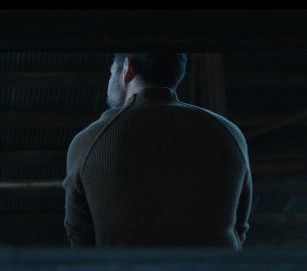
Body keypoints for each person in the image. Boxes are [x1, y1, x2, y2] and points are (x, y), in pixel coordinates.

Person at [63, 53, 252, 248]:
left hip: (125, 269)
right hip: (218, 268)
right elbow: (239, 228)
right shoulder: (229, 133)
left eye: (112, 73)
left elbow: (80, 238)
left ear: (127, 68)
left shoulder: (88, 142)